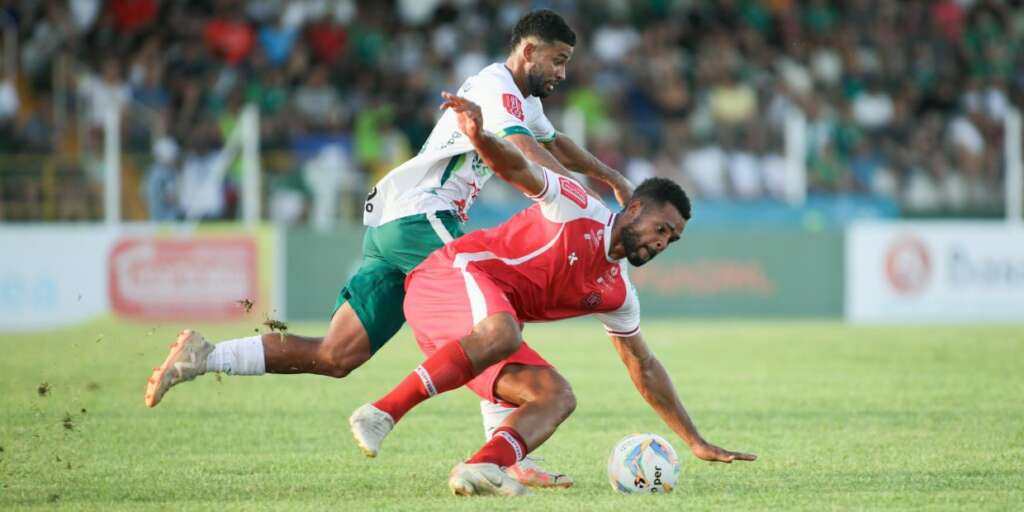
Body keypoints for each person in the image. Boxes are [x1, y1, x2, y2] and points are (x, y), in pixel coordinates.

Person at [143, 9, 633, 488]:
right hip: (424, 215)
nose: (562, 73)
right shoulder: (496, 86)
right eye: (557, 60)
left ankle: (206, 355)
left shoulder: (521, 101)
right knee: (495, 305)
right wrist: (584, 204)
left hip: (395, 224)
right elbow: (528, 151)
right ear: (529, 51)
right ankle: (505, 456)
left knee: (337, 354)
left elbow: (556, 142)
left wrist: (610, 176)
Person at [349, 93, 757, 497]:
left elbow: (644, 367)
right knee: (504, 331)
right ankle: (382, 412)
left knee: (556, 396)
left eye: (672, 239)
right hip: (444, 279)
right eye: (661, 229)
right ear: (633, 209)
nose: (662, 242)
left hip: (478, 332)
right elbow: (517, 167)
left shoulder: (618, 292)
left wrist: (694, 441)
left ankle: (482, 466)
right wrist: (480, 137)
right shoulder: (577, 204)